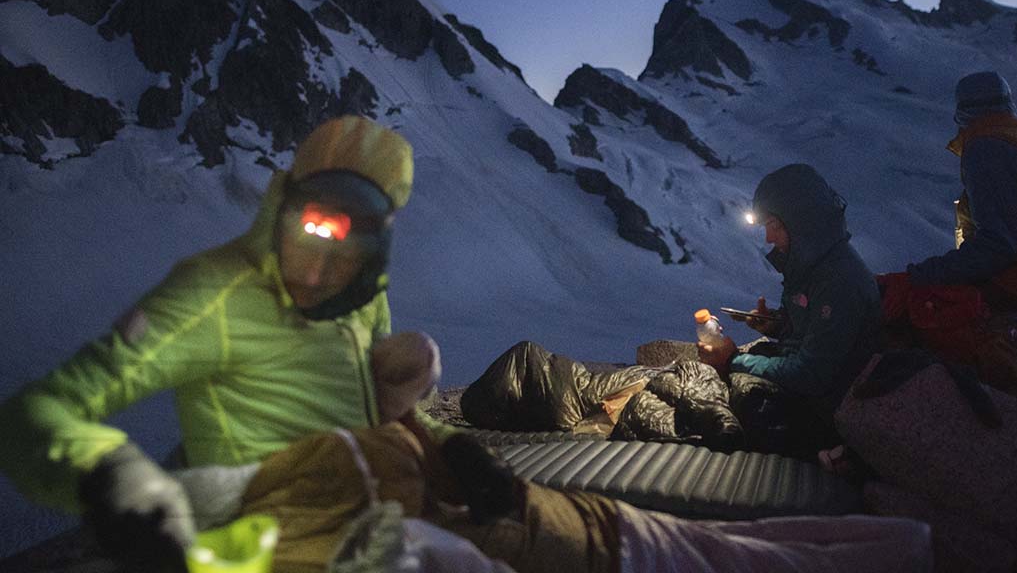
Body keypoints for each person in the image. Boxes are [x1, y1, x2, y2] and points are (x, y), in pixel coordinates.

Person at [0, 115, 440, 571]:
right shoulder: (214, 293)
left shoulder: (364, 302)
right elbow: (33, 413)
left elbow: (366, 411)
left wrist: (445, 448)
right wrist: (106, 476)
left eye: (344, 256)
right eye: (304, 238)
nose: (312, 277)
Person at [179, 332, 932, 573]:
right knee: (775, 555)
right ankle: (914, 544)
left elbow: (405, 384)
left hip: (602, 526)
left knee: (769, 546)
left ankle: (913, 541)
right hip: (615, 550)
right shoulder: (391, 534)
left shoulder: (392, 477)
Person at [698, 164, 882, 454]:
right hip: (815, 395)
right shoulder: (813, 266)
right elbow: (815, 335)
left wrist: (734, 359)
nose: (769, 239)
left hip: (830, 412)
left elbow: (811, 374)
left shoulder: (839, 281)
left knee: (732, 404)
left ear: (802, 224)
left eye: (775, 226)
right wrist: (777, 325)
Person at [903, 71, 1017, 325]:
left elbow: (999, 245)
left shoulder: (986, 147)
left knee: (922, 316)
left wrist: (922, 275)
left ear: (961, 113)